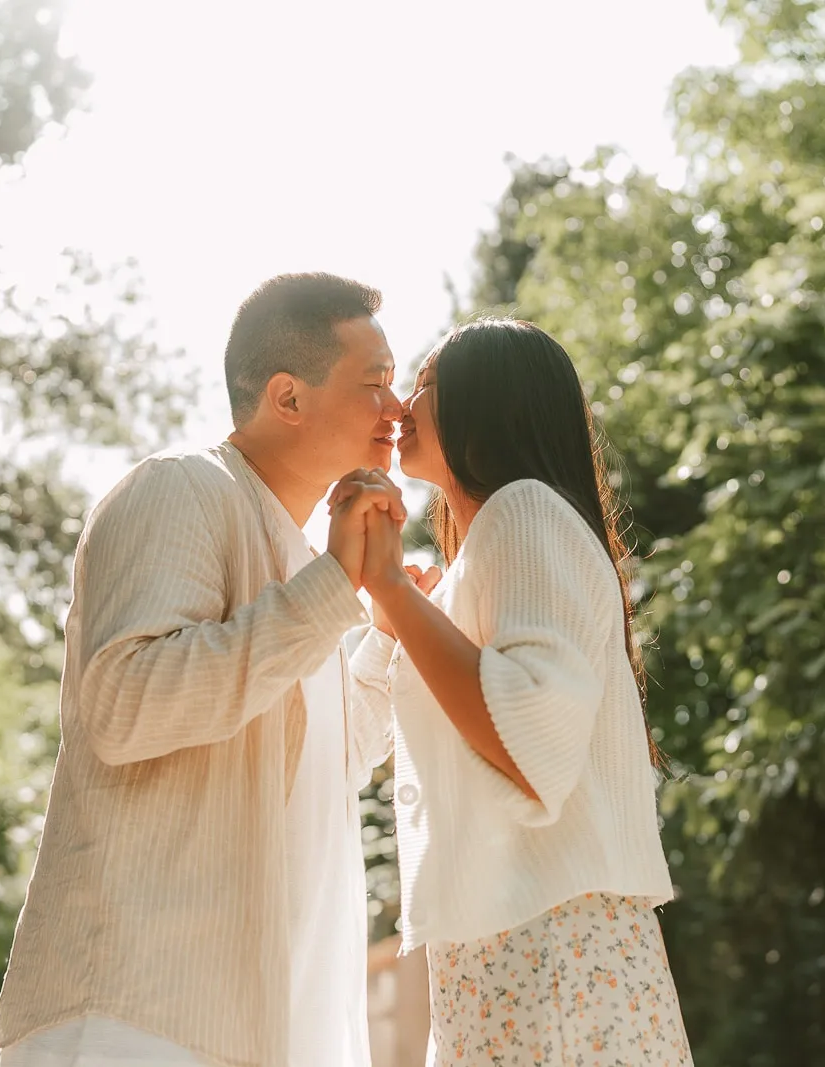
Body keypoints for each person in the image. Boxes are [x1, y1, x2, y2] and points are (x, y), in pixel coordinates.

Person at [0, 272, 406, 1067]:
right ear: (288, 396)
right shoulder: (180, 488)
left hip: (266, 1029)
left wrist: (381, 631)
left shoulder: (305, 567)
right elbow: (127, 705)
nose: (398, 410)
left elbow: (325, 762)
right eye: (376, 384)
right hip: (141, 1019)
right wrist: (329, 591)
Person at [338, 318, 693, 1066]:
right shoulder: (488, 547)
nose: (401, 405)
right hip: (508, 963)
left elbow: (530, 739)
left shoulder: (526, 511)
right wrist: (399, 613)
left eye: (426, 384)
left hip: (555, 955)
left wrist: (397, 595)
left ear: (486, 402)